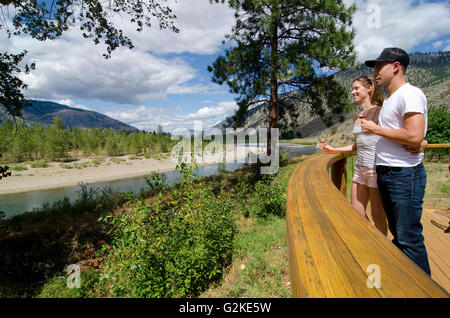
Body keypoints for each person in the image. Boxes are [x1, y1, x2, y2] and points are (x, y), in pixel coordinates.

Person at [361, 47, 431, 275]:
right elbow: (411, 136)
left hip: (404, 175)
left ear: (396, 67)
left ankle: (424, 288)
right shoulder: (392, 99)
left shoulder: (409, 94)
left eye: (380, 66)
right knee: (399, 235)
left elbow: (414, 135)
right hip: (389, 173)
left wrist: (375, 128)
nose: (375, 71)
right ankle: (406, 281)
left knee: (409, 237)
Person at [320, 76, 388, 236]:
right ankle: (369, 242)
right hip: (360, 170)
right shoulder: (358, 116)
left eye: (357, 88)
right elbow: (356, 146)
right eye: (353, 88)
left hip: (375, 170)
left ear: (369, 88)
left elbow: (391, 135)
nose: (353, 92)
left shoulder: (381, 111)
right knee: (356, 213)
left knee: (378, 217)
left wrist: (421, 142)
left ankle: (381, 250)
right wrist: (333, 149)